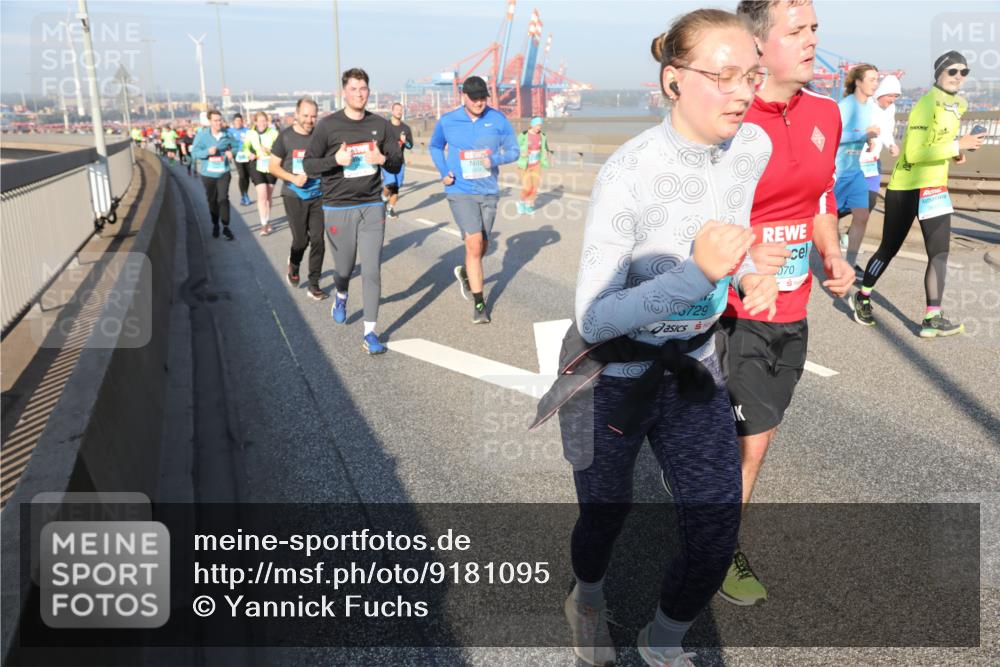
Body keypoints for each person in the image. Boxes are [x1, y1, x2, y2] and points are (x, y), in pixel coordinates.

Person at [561, 10, 777, 667]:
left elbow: (729, 228)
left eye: (752, 75)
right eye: (724, 75)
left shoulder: (752, 148)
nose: (743, 91)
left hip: (694, 369)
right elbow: (595, 317)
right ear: (674, 80)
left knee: (716, 531)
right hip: (617, 376)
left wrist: (747, 269)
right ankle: (587, 596)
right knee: (606, 513)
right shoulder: (629, 172)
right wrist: (696, 275)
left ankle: (663, 642)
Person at [717, 0, 854, 607]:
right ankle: (720, 546)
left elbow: (820, 200)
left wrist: (833, 254)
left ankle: (703, 484)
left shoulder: (826, 112)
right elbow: (697, 218)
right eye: (794, 30)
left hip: (793, 308)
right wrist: (743, 269)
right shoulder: (732, 120)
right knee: (754, 438)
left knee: (754, 433)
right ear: (758, 43)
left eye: (814, 29)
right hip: (732, 308)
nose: (810, 41)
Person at [853, 51, 985, 335]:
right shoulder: (925, 104)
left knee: (939, 253)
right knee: (889, 248)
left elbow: (939, 141)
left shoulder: (958, 103)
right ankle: (863, 295)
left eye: (964, 72)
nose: (958, 77)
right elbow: (914, 152)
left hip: (935, 188)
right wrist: (954, 146)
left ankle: (931, 318)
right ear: (938, 73)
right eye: (952, 71)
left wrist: (956, 151)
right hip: (907, 186)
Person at [303, 68, 402, 355]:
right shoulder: (328, 126)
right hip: (337, 207)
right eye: (354, 88)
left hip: (372, 205)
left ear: (368, 91)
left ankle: (370, 332)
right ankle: (341, 295)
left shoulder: (380, 125)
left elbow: (396, 163)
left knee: (371, 269)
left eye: (364, 88)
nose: (359, 93)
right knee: (344, 269)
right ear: (343, 92)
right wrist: (335, 159)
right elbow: (309, 165)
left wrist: (382, 158)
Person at [429, 75, 519, 324]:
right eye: (475, 98)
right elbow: (435, 146)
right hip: (460, 190)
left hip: (488, 190)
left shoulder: (498, 120)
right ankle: (480, 303)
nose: (480, 102)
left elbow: (514, 151)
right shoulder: (448, 121)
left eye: (483, 97)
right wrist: (443, 170)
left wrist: (495, 160)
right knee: (473, 242)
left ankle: (468, 273)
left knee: (483, 246)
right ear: (463, 96)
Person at [269, 98, 327, 301]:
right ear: (296, 114)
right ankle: (294, 264)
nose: (310, 120)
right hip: (294, 195)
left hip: (317, 194)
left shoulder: (320, 137)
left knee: (318, 239)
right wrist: (293, 177)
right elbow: (273, 167)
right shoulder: (285, 138)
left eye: (313, 116)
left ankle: (314, 284)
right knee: (302, 240)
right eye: (305, 115)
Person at [835, 64, 880, 270]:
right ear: (858, 82)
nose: (875, 84)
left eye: (877, 80)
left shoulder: (870, 106)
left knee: (861, 216)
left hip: (854, 172)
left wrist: (868, 140)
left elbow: (861, 132)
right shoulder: (845, 105)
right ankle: (830, 260)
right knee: (826, 219)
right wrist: (863, 135)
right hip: (836, 172)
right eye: (871, 79)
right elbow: (834, 136)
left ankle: (850, 264)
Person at [858, 73, 901, 215]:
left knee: (870, 201)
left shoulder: (891, 109)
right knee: (844, 202)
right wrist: (865, 136)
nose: (893, 100)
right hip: (854, 160)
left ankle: (850, 235)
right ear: (881, 93)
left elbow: (887, 131)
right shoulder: (865, 103)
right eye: (891, 96)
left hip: (872, 162)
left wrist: (891, 145)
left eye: (896, 96)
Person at [191, 109, 237, 240]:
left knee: (223, 199)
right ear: (210, 121)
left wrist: (231, 153)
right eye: (215, 120)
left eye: (220, 120)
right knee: (212, 201)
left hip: (223, 172)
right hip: (208, 174)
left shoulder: (227, 134)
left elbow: (236, 146)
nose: (218, 123)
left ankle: (226, 227)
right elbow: (194, 153)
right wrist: (207, 152)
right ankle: (215, 224)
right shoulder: (202, 135)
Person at [244, 111, 280, 235]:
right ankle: (263, 224)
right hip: (256, 166)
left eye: (264, 120)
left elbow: (280, 149)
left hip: (271, 165)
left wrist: (270, 150)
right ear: (255, 122)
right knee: (262, 195)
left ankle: (268, 220)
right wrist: (249, 154)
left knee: (269, 197)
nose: (262, 123)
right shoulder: (250, 134)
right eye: (260, 121)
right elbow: (245, 148)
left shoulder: (274, 133)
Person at [381, 102, 413, 220]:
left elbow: (410, 146)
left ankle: (389, 210)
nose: (399, 111)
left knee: (396, 187)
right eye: (397, 109)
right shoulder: (385, 126)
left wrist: (405, 142)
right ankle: (383, 199)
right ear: (392, 111)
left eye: (401, 110)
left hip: (400, 162)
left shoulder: (405, 128)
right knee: (390, 183)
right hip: (386, 160)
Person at [516, 116, 550, 215]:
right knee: (527, 187)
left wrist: (546, 155)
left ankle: (529, 205)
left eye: (540, 125)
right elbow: (514, 148)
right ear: (532, 125)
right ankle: (521, 202)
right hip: (525, 165)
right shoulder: (523, 135)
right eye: (537, 125)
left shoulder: (543, 136)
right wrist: (522, 153)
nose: (539, 127)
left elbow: (545, 147)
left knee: (534, 187)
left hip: (537, 164)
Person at [228, 113, 253, 206]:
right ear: (233, 122)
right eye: (236, 121)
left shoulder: (247, 131)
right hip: (237, 155)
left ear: (242, 121)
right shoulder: (229, 131)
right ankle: (244, 195)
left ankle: (245, 193)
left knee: (247, 176)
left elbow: (252, 142)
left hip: (247, 155)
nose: (238, 122)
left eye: (239, 120)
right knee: (242, 175)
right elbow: (226, 143)